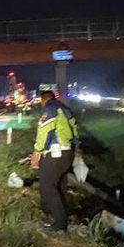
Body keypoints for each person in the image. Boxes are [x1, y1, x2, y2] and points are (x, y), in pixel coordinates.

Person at [30, 90, 79, 233]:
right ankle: (62, 215)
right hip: (67, 152)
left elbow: (44, 131)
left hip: (55, 153)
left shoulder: (50, 108)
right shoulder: (65, 109)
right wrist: (77, 149)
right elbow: (75, 131)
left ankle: (59, 223)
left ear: (43, 100)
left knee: (47, 186)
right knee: (60, 185)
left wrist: (36, 151)